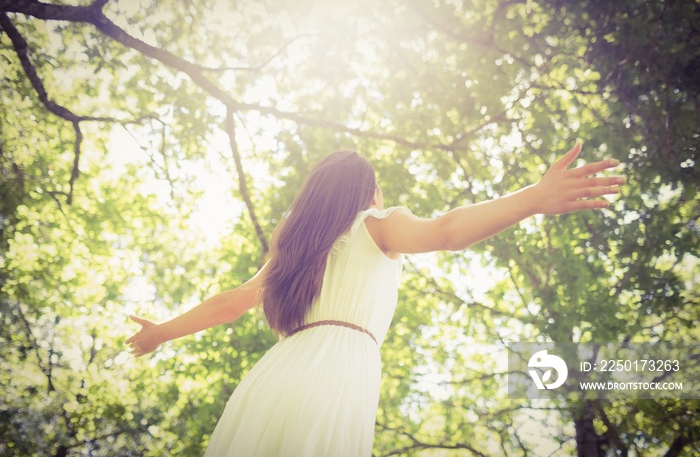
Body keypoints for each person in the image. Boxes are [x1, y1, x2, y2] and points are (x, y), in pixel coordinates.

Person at [126, 144, 624, 456]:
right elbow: (448, 230)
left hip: (276, 376)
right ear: (366, 192)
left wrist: (159, 333)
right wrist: (532, 198)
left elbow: (229, 304)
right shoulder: (373, 225)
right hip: (336, 375)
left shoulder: (297, 245)